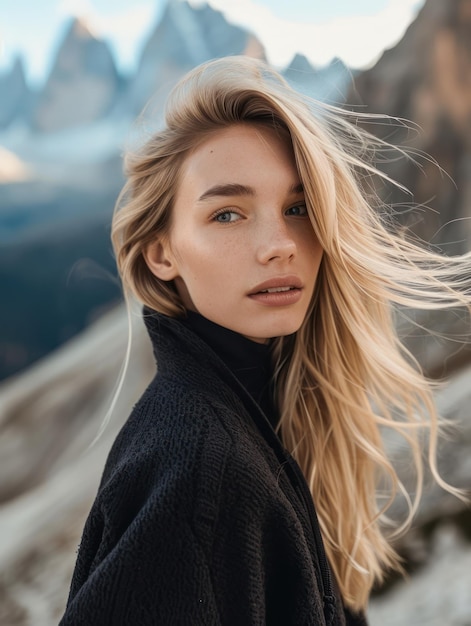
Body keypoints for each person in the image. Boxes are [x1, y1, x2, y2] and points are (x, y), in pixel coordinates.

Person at [59, 56, 470, 625]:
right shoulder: (201, 473)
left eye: (299, 208)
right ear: (162, 252)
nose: (280, 243)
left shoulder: (255, 428)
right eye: (227, 214)